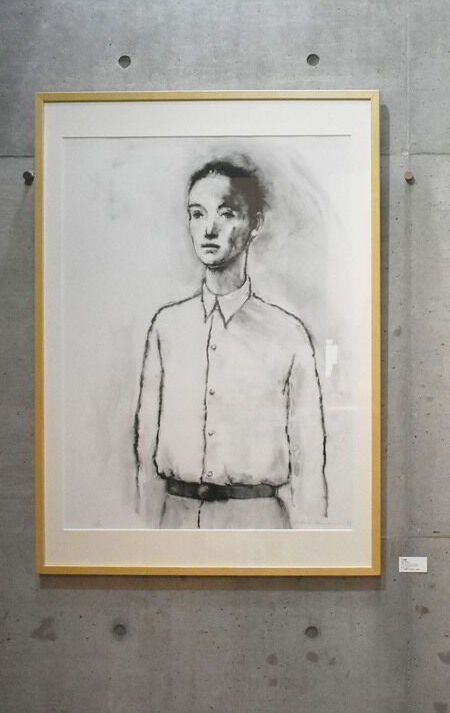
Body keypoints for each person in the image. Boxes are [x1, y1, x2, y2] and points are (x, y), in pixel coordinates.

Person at [133, 156, 328, 529]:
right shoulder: (166, 327)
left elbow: (309, 462)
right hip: (176, 521)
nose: (209, 229)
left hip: (258, 524)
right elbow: (145, 454)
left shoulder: (287, 334)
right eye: (197, 214)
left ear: (254, 225)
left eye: (226, 214)